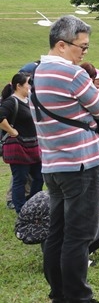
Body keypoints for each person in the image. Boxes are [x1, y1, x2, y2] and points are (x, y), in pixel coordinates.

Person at [32, 15, 99, 302]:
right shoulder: (73, 74)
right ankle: (78, 296)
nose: (84, 53)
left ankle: (59, 292)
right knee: (79, 235)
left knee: (58, 233)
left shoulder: (36, 73)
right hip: (80, 164)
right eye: (82, 47)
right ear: (62, 45)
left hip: (53, 165)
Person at [0, 72, 43, 213]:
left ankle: (32, 204)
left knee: (39, 177)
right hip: (19, 147)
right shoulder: (12, 102)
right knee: (21, 179)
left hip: (33, 146)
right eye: (28, 83)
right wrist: (12, 131)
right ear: (18, 86)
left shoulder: (29, 100)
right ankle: (21, 208)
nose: (30, 86)